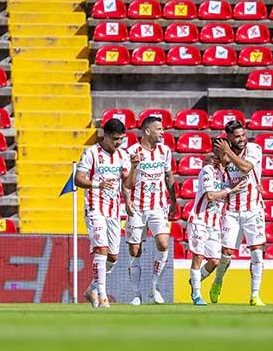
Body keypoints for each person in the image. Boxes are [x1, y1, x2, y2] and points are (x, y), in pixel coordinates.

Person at [75, 118, 131, 308]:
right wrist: (98, 184)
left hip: (114, 210)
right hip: (94, 207)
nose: (118, 143)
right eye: (115, 139)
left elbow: (127, 183)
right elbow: (79, 179)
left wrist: (129, 201)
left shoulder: (123, 155)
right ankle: (102, 296)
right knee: (102, 249)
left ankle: (91, 289)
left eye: (122, 139)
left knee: (113, 256)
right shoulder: (91, 153)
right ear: (105, 135)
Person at [210, 120, 267, 306]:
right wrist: (220, 156)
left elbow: (245, 167)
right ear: (228, 138)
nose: (242, 139)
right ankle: (218, 282)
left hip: (253, 209)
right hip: (232, 210)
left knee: (257, 252)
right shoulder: (224, 151)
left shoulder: (254, 149)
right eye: (237, 136)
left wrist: (226, 153)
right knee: (226, 254)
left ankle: (255, 295)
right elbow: (214, 165)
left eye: (243, 135)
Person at [123, 116, 177, 305]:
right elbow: (126, 182)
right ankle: (136, 293)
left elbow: (169, 177)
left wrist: (173, 201)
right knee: (135, 249)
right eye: (159, 129)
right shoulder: (131, 152)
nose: (162, 132)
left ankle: (154, 287)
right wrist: (127, 201)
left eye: (162, 129)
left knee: (163, 243)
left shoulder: (165, 151)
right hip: (137, 208)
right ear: (147, 131)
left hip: (158, 206)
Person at [187, 150, 247, 306]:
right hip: (199, 219)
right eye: (226, 154)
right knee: (198, 256)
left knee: (214, 261)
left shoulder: (226, 175)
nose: (229, 157)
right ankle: (196, 294)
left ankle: (195, 281)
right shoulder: (207, 170)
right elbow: (210, 196)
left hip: (215, 223)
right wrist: (230, 190)